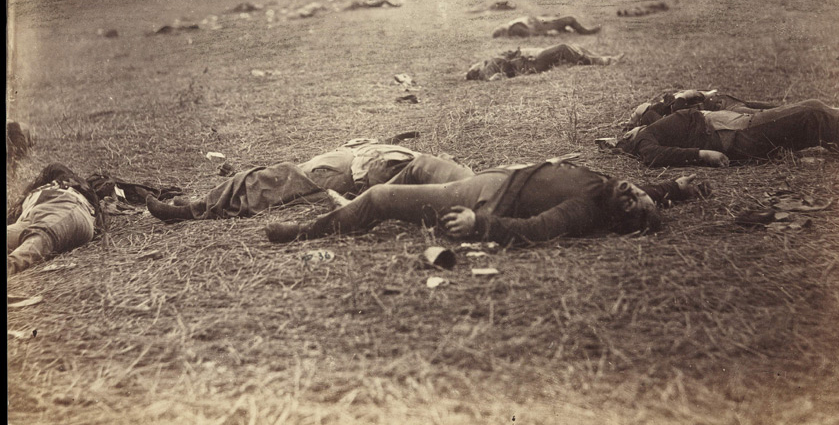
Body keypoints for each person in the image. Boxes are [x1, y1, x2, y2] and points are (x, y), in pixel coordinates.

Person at [264, 155, 711, 246]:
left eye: (632, 204)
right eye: (636, 193)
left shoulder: (588, 208)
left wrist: (480, 227)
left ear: (618, 219)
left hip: (483, 198)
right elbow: (647, 194)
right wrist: (679, 188)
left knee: (381, 197)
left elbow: (537, 231)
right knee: (422, 162)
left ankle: (306, 232)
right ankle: (350, 206)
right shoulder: (615, 189)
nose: (632, 193)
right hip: (490, 177)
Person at [145, 137, 474, 222]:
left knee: (262, 181)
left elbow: (381, 191)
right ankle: (197, 202)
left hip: (332, 177)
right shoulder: (417, 160)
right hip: (334, 165)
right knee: (262, 178)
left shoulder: (417, 170)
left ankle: (189, 211)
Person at [614, 99, 839, 167]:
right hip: (736, 134)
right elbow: (653, 156)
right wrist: (702, 154)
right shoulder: (642, 138)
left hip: (736, 122)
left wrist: (646, 109)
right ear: (627, 138)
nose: (634, 121)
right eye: (631, 124)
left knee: (808, 119)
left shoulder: (654, 122)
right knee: (814, 111)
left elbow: (655, 109)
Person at [7, 163, 99, 275]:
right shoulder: (60, 178)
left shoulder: (79, 187)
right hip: (32, 216)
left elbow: (55, 168)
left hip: (65, 204)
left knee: (43, 233)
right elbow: (52, 168)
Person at [625, 89, 778, 128]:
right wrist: (683, 96)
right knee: (767, 115)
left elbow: (695, 94)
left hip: (722, 101)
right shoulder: (668, 115)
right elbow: (679, 114)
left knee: (771, 108)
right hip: (725, 110)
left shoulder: (668, 103)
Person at [466, 44, 623, 81]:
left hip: (529, 61)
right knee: (562, 47)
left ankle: (602, 58)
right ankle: (603, 61)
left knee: (571, 47)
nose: (473, 64)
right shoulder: (487, 68)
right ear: (475, 70)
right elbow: (504, 72)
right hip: (531, 65)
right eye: (472, 67)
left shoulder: (489, 65)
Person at [491, 15, 602, 38]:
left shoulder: (513, 25)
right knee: (570, 19)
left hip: (544, 22)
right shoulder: (514, 28)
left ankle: (566, 30)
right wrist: (547, 33)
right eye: (501, 28)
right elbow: (530, 33)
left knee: (566, 20)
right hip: (543, 27)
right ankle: (586, 32)